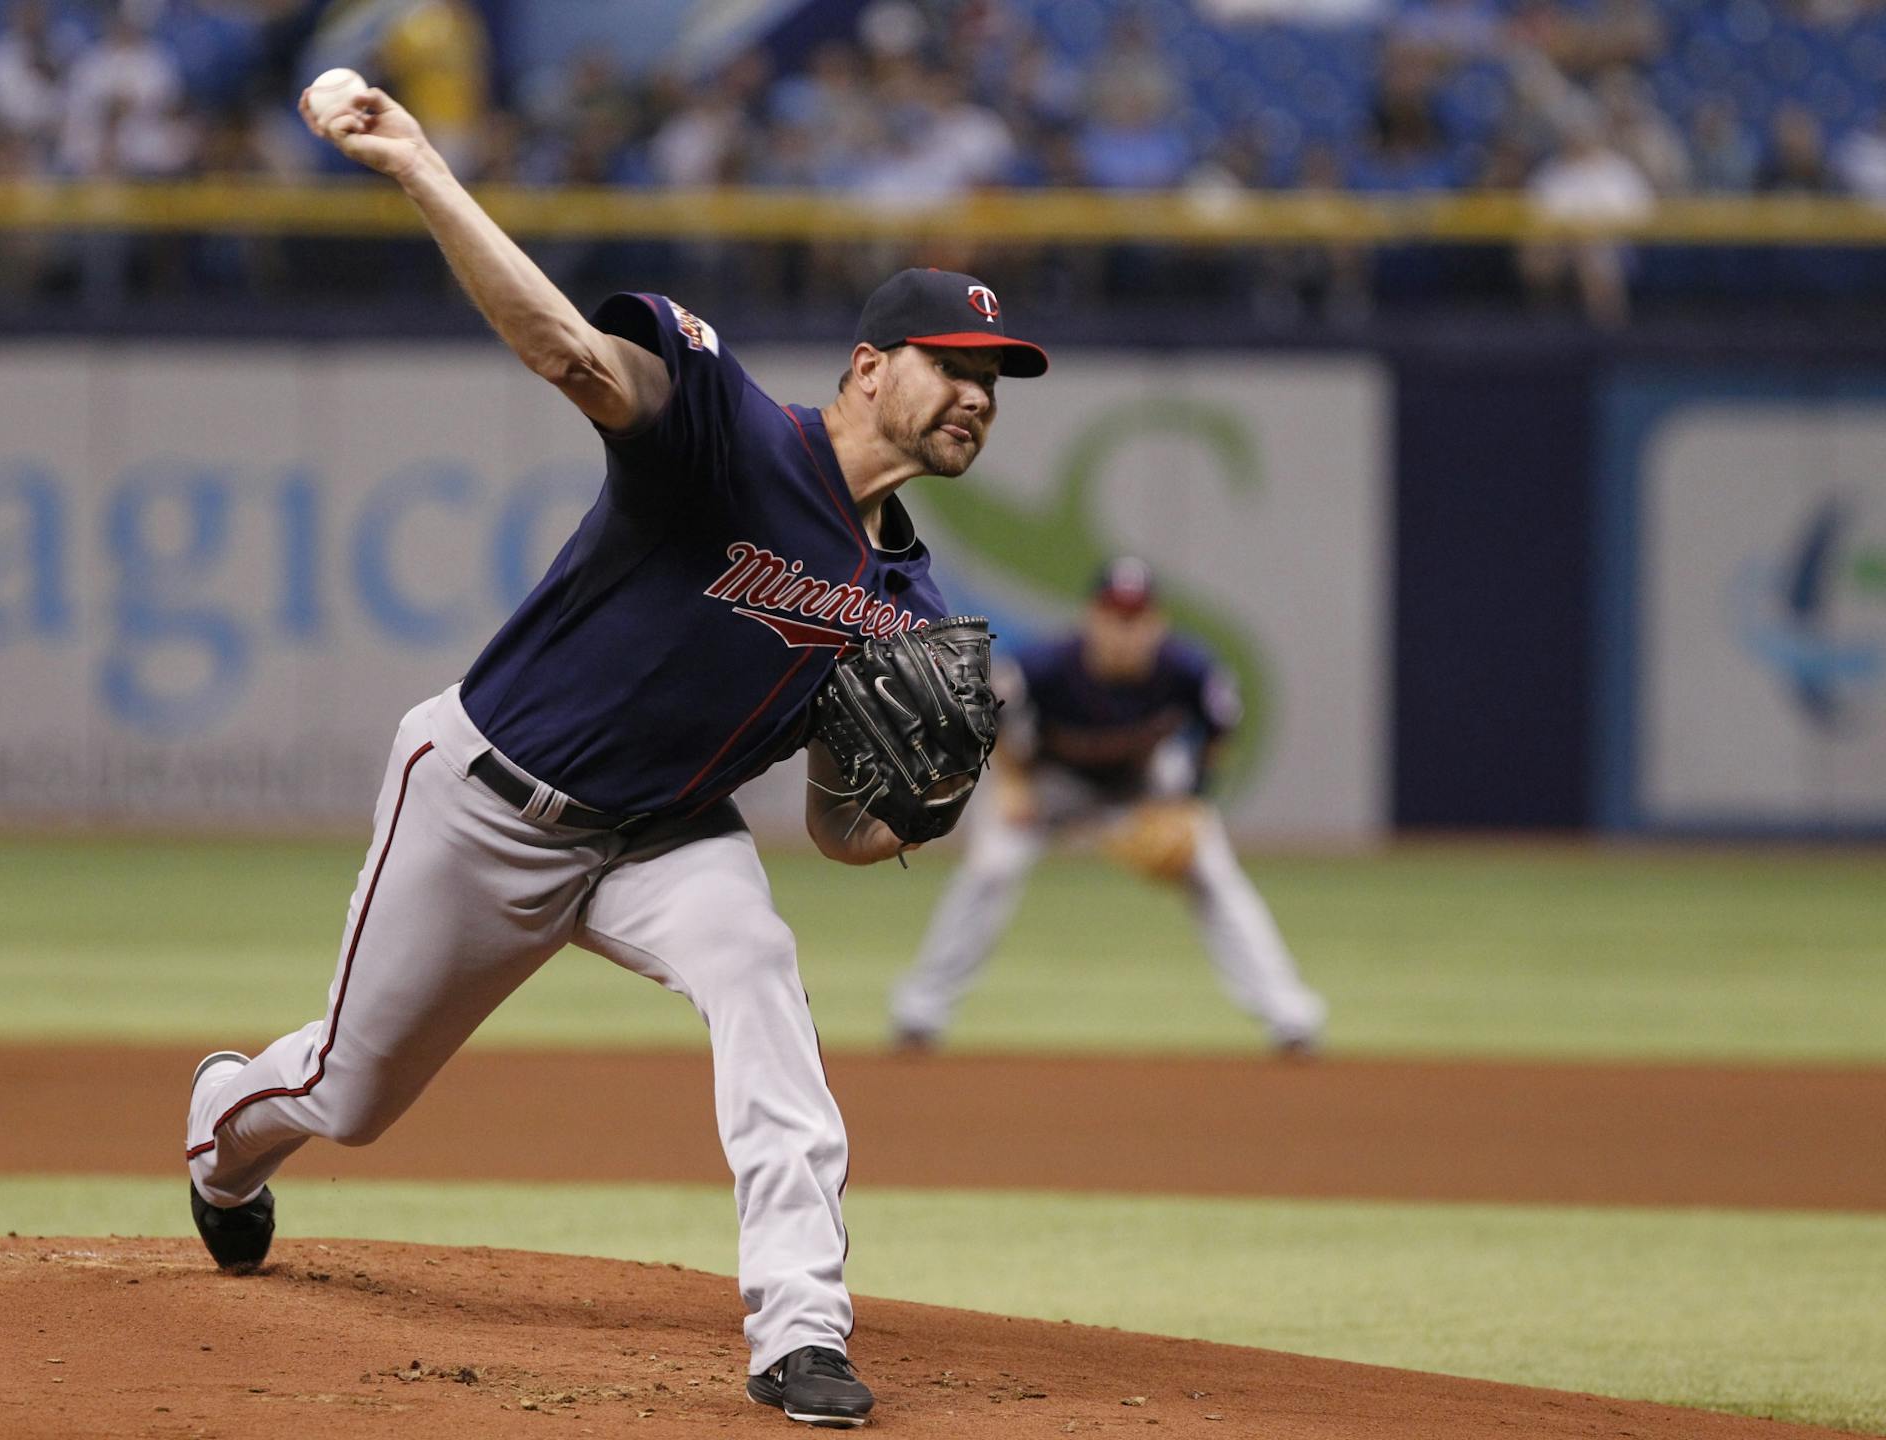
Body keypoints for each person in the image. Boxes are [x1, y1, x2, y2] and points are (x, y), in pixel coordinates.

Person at [183, 77, 1049, 1432]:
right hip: (486, 795)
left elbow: (837, 832)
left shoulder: (914, 612)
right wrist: (418, 164)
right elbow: (568, 354)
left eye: (996, 385)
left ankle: (800, 1331)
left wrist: (919, 802)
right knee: (347, 1093)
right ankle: (222, 1140)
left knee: (761, 976)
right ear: (872, 366)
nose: (980, 401)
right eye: (956, 367)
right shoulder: (729, 432)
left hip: (663, 835)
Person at [887, 557, 1326, 1056]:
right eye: (1114, 616)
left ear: (1157, 623)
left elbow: (1218, 732)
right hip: (1050, 786)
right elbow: (981, 715)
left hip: (1141, 789)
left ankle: (1291, 1017)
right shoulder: (1045, 667)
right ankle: (920, 1012)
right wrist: (1011, 783)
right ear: (1091, 617)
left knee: (1213, 870)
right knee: (990, 870)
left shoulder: (1189, 669)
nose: (1125, 631)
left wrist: (1191, 802)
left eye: (1136, 619)